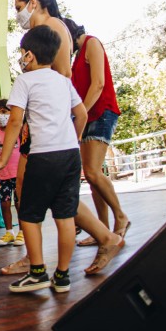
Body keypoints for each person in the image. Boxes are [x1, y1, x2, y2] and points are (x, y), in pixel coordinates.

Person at [2, 0, 124, 277]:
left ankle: (43, 258)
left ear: (33, 3)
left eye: (19, 7)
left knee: (33, 190)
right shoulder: (47, 30)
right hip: (50, 125)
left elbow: (64, 77)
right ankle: (42, 255)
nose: (18, 14)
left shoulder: (53, 27)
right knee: (40, 190)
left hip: (50, 129)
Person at [0, 25, 85, 294]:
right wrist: (73, 141)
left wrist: (2, 159)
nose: (22, 59)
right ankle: (63, 277)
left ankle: (37, 272)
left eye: (22, 54)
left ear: (29, 55)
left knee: (30, 215)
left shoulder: (25, 81)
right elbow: (82, 114)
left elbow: (14, 121)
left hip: (42, 157)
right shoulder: (63, 81)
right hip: (70, 155)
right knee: (65, 216)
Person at [66, 18, 130, 244]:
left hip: (102, 112)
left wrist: (80, 111)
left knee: (92, 171)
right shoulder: (75, 57)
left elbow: (99, 83)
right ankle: (102, 231)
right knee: (91, 175)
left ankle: (120, 217)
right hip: (87, 116)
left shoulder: (92, 43)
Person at [0, 99, 22, 247]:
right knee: (5, 203)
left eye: (4, 112)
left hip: (18, 173)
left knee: (19, 203)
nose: (0, 116)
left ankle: (22, 232)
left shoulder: (18, 129)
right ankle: (9, 232)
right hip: (3, 174)